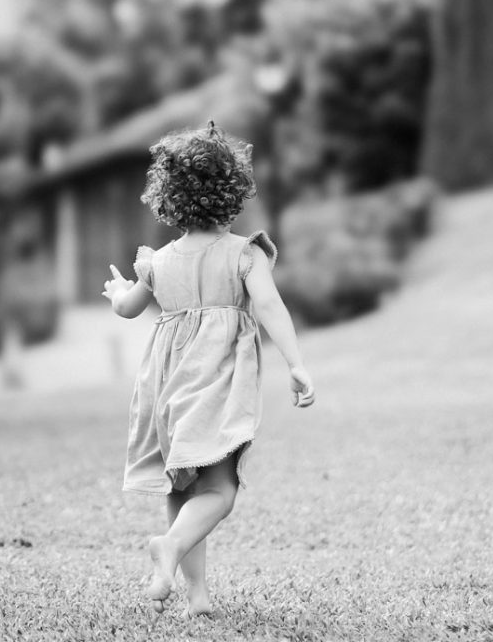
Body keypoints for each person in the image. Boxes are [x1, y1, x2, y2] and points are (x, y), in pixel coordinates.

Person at [102, 121, 315, 617]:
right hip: (215, 386)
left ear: (168, 197)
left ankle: (196, 595)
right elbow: (270, 307)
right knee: (220, 489)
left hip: (166, 390)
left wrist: (116, 292)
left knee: (184, 485)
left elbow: (129, 308)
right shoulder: (244, 254)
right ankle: (170, 548)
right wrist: (296, 363)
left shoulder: (157, 263)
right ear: (233, 191)